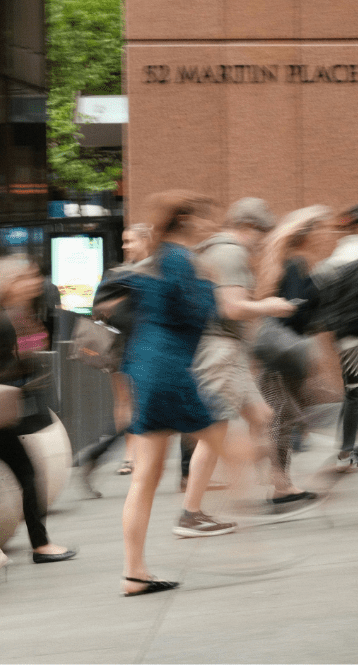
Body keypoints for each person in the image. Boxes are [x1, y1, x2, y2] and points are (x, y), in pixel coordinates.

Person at [117, 191, 254, 596]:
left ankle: (134, 572)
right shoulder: (178, 259)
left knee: (146, 476)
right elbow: (199, 312)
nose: (209, 227)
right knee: (228, 445)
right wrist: (210, 282)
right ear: (187, 221)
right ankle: (248, 548)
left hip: (147, 367)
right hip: (170, 371)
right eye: (204, 219)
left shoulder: (157, 259)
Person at [177, 198, 296, 535]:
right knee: (216, 432)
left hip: (227, 349)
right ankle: (190, 513)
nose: (263, 241)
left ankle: (280, 486)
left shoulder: (215, 250)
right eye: (263, 234)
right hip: (220, 350)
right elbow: (232, 308)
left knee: (262, 416)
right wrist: (269, 305)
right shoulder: (229, 252)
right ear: (250, 227)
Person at [0, 255, 76, 586]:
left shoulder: (21, 316)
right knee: (23, 475)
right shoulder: (4, 320)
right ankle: (32, 546)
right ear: (9, 284)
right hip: (3, 413)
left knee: (11, 475)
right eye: (25, 278)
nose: (34, 283)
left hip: (9, 411)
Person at [254, 206, 336, 512]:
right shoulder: (288, 265)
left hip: (291, 358)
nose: (328, 234)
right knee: (280, 420)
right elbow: (285, 310)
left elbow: (309, 320)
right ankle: (275, 482)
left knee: (284, 422)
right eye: (322, 228)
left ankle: (282, 484)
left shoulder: (303, 266)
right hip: (277, 358)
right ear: (307, 233)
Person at [76, 223, 153, 494]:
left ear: (147, 240)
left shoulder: (152, 270)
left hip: (145, 346)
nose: (125, 246)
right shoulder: (119, 274)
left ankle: (104, 455)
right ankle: (128, 456)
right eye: (124, 241)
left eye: (130, 241)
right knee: (126, 401)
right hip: (123, 346)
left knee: (145, 405)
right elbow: (98, 308)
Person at [315, 202, 358, 472]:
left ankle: (346, 451)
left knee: (351, 392)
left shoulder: (339, 253)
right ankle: (348, 455)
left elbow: (321, 283)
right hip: (356, 335)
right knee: (356, 393)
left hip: (343, 335)